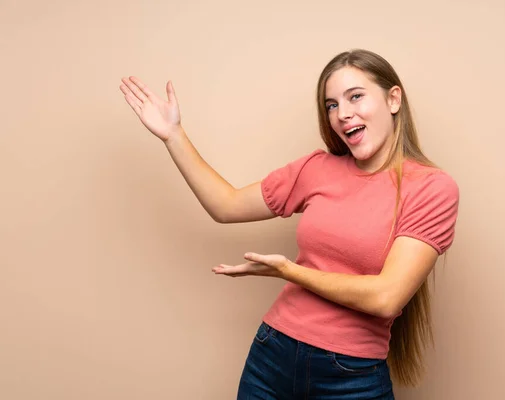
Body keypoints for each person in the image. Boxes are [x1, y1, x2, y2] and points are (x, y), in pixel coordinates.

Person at [119, 48, 459, 399]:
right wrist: (173, 135)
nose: (342, 114)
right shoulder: (317, 169)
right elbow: (226, 205)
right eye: (331, 105)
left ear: (393, 98)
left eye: (355, 96)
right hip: (272, 356)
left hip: (352, 376)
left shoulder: (432, 189)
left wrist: (289, 271)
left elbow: (386, 298)